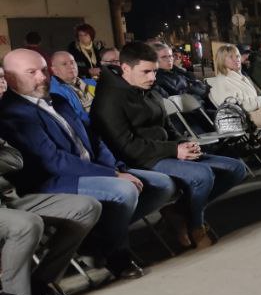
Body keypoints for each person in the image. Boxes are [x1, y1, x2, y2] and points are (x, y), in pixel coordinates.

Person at [0, 49, 173, 280]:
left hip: (93, 169)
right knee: (124, 191)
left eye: (43, 70)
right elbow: (54, 161)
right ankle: (115, 253)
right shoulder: (12, 113)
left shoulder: (59, 100)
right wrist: (113, 176)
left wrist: (116, 168)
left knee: (163, 185)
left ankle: (94, 238)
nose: (42, 77)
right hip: (55, 181)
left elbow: (94, 138)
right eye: (31, 72)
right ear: (10, 77)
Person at [92, 42, 248, 250]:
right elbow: (125, 147)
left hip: (165, 152)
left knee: (236, 168)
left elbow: (168, 128)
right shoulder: (109, 99)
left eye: (155, 71)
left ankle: (178, 213)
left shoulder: (149, 90)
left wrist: (184, 144)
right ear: (126, 69)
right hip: (139, 160)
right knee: (201, 175)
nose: (152, 77)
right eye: (146, 72)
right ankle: (196, 226)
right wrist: (174, 150)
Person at [0, 135, 100, 295]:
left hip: (9, 200)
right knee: (26, 224)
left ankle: (38, 284)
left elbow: (14, 158)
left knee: (86, 208)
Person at [48, 51, 95, 123]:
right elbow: (74, 118)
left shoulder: (91, 82)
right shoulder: (54, 92)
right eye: (64, 64)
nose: (71, 66)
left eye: (72, 62)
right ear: (54, 70)